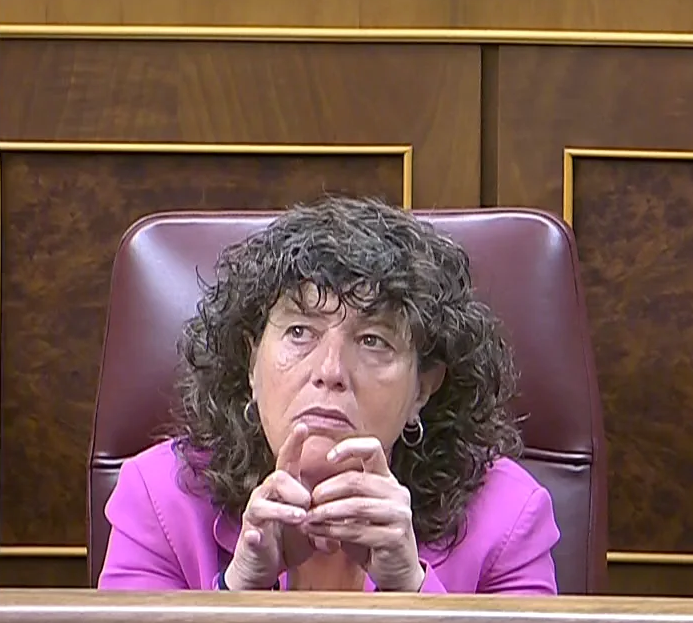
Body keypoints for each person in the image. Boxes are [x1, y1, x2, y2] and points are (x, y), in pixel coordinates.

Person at [99, 197, 560, 593]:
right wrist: (237, 589)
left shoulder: (508, 516)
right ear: (251, 364)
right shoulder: (159, 497)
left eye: (373, 340)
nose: (330, 372)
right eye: (300, 331)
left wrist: (414, 592)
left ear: (423, 386)